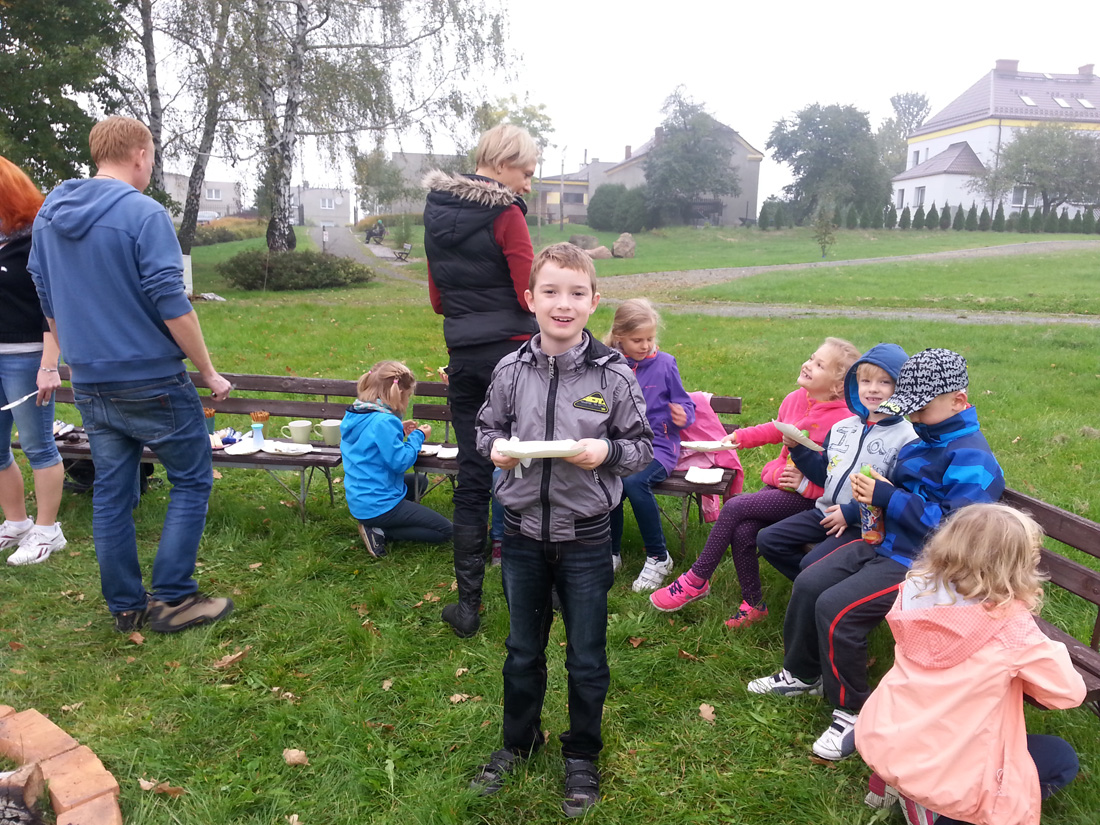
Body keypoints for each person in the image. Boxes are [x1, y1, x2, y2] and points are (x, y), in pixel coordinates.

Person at [748, 348, 1005, 761]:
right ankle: (802, 673)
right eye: (910, 409)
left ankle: (853, 711)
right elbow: (894, 494)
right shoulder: (923, 442)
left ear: (958, 400)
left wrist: (888, 497)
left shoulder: (971, 458)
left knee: (837, 608)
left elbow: (957, 530)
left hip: (927, 565)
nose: (914, 418)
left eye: (921, 409)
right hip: (885, 543)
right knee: (809, 581)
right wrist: (870, 501)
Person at [28, 116, 234, 633]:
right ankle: (174, 598)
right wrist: (208, 370)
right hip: (151, 378)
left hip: (90, 381)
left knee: (112, 493)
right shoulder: (144, 213)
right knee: (192, 479)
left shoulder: (49, 216)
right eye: (152, 157)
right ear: (140, 154)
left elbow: (46, 297)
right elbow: (171, 299)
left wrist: (73, 355)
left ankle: (125, 606)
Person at [469, 243, 652, 816]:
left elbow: (641, 447)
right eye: (550, 292)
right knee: (522, 650)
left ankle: (582, 754)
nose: (562, 304)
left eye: (576, 293)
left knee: (586, 656)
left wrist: (606, 452)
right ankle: (519, 741)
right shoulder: (510, 369)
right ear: (530, 299)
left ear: (594, 301)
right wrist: (496, 448)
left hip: (588, 538)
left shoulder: (612, 375)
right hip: (521, 534)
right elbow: (485, 430)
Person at [856, 504, 1085, 825]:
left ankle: (897, 778)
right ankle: (935, 810)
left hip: (893, 734)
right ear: (1015, 568)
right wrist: (1045, 643)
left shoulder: (913, 591)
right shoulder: (1011, 627)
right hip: (947, 769)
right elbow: (1068, 693)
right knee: (1061, 759)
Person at [649, 338, 860, 627]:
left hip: (811, 500)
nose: (808, 365)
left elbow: (840, 475)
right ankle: (754, 604)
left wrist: (806, 486)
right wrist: (741, 437)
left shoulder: (844, 422)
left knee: (736, 506)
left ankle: (696, 578)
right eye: (811, 358)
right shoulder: (796, 399)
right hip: (781, 488)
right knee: (744, 530)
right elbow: (776, 428)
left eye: (820, 365)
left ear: (837, 386)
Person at [423, 123, 539, 638]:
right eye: (526, 172)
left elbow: (438, 301)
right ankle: (536, 594)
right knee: (531, 466)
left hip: (465, 357)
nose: (528, 184)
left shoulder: (435, 212)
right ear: (502, 162)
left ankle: (468, 607)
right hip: (514, 356)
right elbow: (527, 292)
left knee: (474, 476)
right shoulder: (507, 214)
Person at [756, 344, 915, 583]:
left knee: (811, 564)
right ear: (855, 384)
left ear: (900, 388)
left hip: (862, 524)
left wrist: (850, 512)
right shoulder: (842, 428)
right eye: (865, 381)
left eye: (884, 382)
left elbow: (897, 491)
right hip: (825, 511)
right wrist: (798, 449)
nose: (873, 388)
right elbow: (823, 474)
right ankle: (813, 586)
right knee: (768, 539)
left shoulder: (907, 437)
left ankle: (819, 586)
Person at [0, 156, 67, 566]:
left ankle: (47, 531)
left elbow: (52, 306)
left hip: (26, 359)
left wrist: (49, 364)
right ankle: (16, 522)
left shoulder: (36, 239)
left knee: (38, 445)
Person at [605, 298, 695, 592]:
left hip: (660, 447)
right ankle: (611, 553)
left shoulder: (665, 364)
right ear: (619, 336)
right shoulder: (609, 364)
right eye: (637, 340)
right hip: (623, 445)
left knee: (633, 481)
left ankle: (658, 556)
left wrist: (684, 415)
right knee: (609, 481)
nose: (645, 346)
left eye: (650, 338)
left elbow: (685, 402)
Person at [341, 360, 452, 556]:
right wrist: (418, 437)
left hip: (360, 497)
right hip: (379, 503)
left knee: (420, 482)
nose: (408, 400)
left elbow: (370, 441)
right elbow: (400, 462)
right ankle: (380, 531)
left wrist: (398, 429)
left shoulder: (357, 412)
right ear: (399, 393)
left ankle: (379, 522)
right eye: (408, 396)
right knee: (446, 531)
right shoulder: (384, 421)